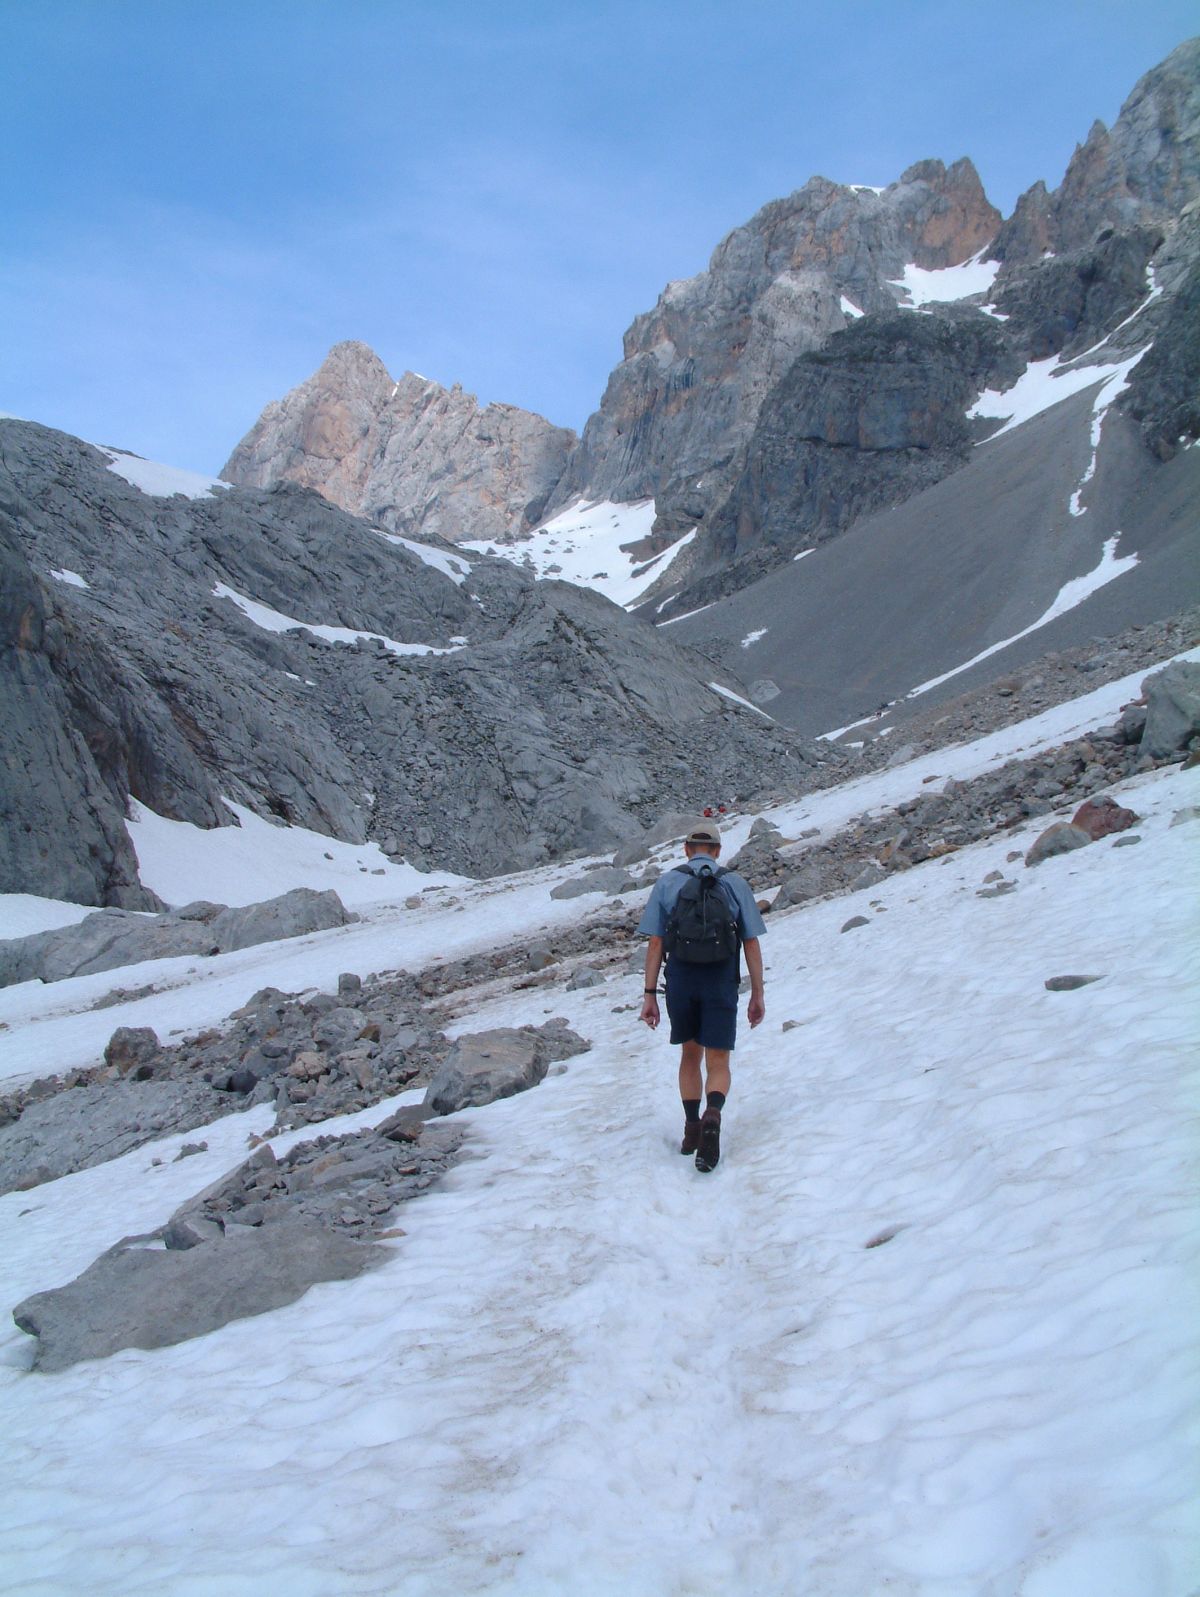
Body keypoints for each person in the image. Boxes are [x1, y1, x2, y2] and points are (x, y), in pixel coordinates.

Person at [637, 819, 766, 1172]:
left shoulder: (668, 882)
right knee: (718, 1061)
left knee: (689, 1055)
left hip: (682, 980)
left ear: (686, 849)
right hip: (720, 979)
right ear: (719, 851)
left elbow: (655, 943)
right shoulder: (734, 884)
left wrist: (649, 994)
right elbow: (751, 941)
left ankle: (692, 1127)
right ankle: (713, 1114)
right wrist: (757, 992)